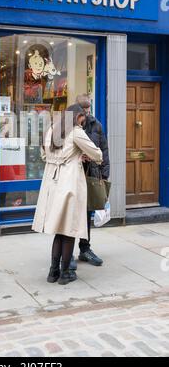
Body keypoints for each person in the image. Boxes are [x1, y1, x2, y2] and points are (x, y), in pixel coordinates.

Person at [32, 104, 103, 285]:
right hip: (69, 182)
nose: (84, 121)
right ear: (77, 116)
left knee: (59, 230)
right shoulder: (76, 132)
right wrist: (79, 155)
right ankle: (65, 274)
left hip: (51, 183)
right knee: (69, 229)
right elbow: (97, 154)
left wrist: (74, 154)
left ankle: (52, 272)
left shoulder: (51, 130)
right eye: (83, 118)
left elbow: (43, 155)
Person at [75, 94, 110, 267]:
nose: (87, 114)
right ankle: (65, 255)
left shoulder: (97, 125)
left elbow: (104, 149)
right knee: (72, 213)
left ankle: (85, 248)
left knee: (87, 212)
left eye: (89, 110)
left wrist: (104, 174)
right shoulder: (70, 126)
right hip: (73, 174)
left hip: (90, 174)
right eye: (84, 111)